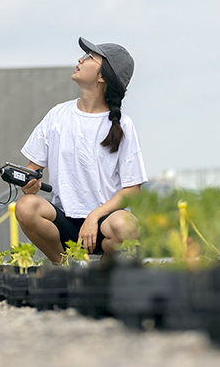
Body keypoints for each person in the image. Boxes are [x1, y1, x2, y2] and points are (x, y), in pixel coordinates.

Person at [15, 38, 146, 262]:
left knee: (128, 226)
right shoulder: (57, 115)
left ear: (103, 76)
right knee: (25, 207)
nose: (80, 59)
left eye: (89, 57)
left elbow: (132, 191)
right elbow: (31, 173)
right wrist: (29, 185)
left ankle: (106, 272)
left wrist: (95, 216)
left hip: (105, 223)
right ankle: (65, 268)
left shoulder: (123, 124)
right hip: (64, 220)